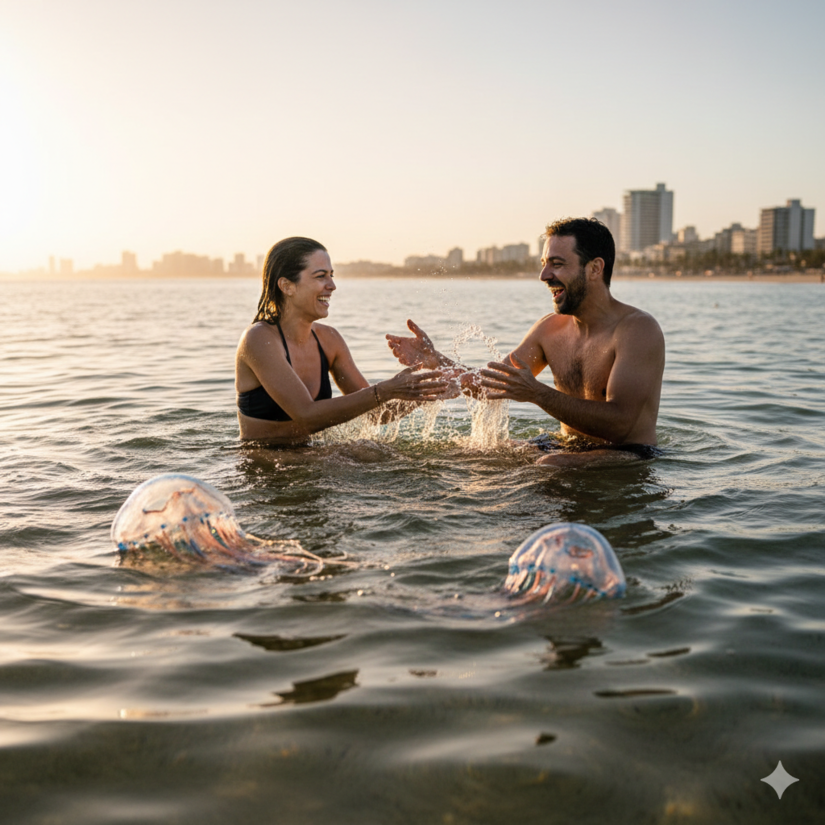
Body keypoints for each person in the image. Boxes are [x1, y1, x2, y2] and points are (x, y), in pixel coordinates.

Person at [386, 218, 665, 466]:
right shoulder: (549, 329)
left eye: (557, 264)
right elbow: (493, 383)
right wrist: (438, 361)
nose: (544, 276)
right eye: (544, 265)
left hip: (629, 455)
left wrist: (536, 393)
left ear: (595, 268)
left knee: (550, 465)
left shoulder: (637, 330)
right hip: (569, 447)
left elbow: (621, 424)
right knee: (471, 453)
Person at [236, 237, 450, 443]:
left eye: (332, 275)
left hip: (312, 461)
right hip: (263, 467)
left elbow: (376, 415)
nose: (332, 285)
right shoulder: (259, 339)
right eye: (321, 276)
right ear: (287, 286)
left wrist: (429, 388)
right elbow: (306, 416)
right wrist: (385, 390)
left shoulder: (329, 339)